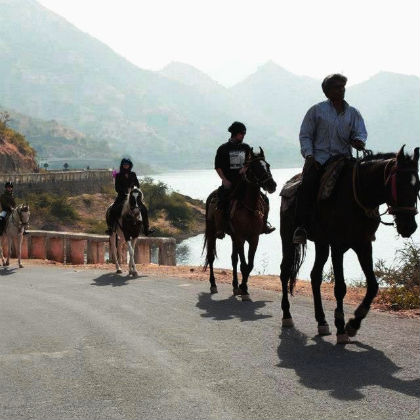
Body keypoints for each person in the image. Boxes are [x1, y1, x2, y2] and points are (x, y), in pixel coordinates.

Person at [293, 73, 368, 244]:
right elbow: (305, 135)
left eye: (343, 87)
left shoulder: (353, 113)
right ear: (327, 92)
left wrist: (359, 141)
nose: (341, 90)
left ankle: (366, 222)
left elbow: (361, 132)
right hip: (319, 160)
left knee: (362, 182)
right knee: (307, 186)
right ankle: (301, 227)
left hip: (344, 159)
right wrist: (309, 155)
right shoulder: (316, 111)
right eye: (337, 87)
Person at [214, 121, 275, 239]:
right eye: (241, 133)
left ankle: (264, 225)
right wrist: (224, 180)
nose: (243, 136)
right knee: (222, 201)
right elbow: (218, 167)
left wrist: (245, 168)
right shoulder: (223, 149)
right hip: (229, 181)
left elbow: (251, 163)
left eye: (244, 133)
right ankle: (221, 227)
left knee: (265, 199)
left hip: (244, 181)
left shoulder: (246, 148)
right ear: (235, 134)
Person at [105, 158, 154, 236]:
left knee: (144, 209)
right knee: (113, 209)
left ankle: (146, 228)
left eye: (127, 165)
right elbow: (117, 188)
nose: (126, 166)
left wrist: (133, 189)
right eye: (124, 165)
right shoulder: (118, 175)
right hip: (122, 196)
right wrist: (125, 191)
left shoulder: (133, 174)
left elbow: (138, 185)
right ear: (122, 165)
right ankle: (110, 228)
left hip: (133, 197)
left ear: (130, 165)